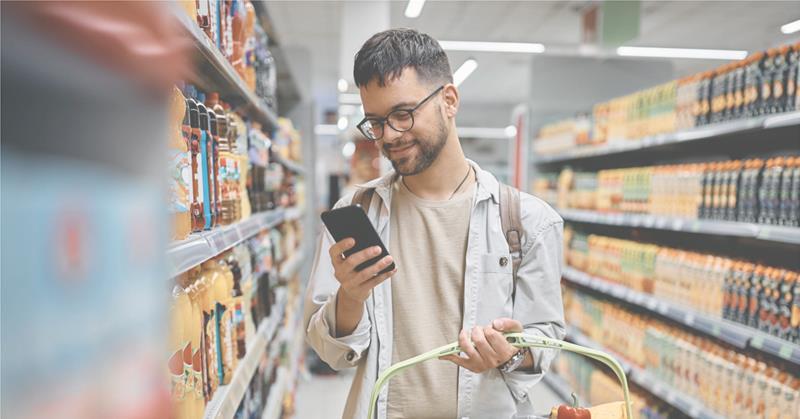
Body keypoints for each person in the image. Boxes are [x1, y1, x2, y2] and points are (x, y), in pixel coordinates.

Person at [304, 28, 565, 419]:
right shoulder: (358, 211)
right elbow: (332, 353)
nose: (389, 135)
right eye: (375, 122)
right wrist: (351, 298)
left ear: (449, 100)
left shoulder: (528, 222)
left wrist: (510, 354)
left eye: (403, 115)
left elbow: (545, 344)